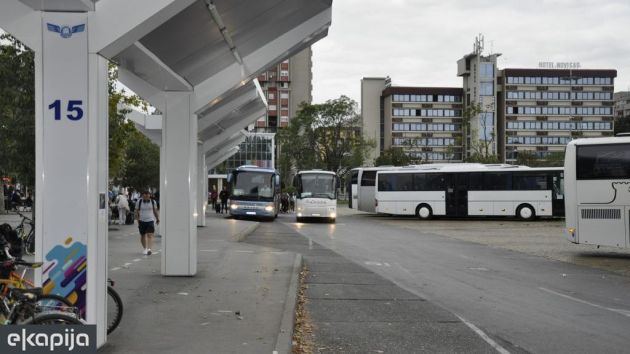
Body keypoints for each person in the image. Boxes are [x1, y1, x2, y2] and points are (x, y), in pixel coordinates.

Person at [135, 191, 159, 255]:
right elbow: (136, 211)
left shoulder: (153, 202)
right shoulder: (139, 202)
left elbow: (155, 211)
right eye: (144, 196)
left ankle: (149, 249)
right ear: (142, 196)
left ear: (149, 195)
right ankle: (145, 248)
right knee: (143, 235)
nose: (146, 197)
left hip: (150, 220)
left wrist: (157, 219)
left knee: (149, 235)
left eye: (147, 195)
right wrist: (137, 220)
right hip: (141, 221)